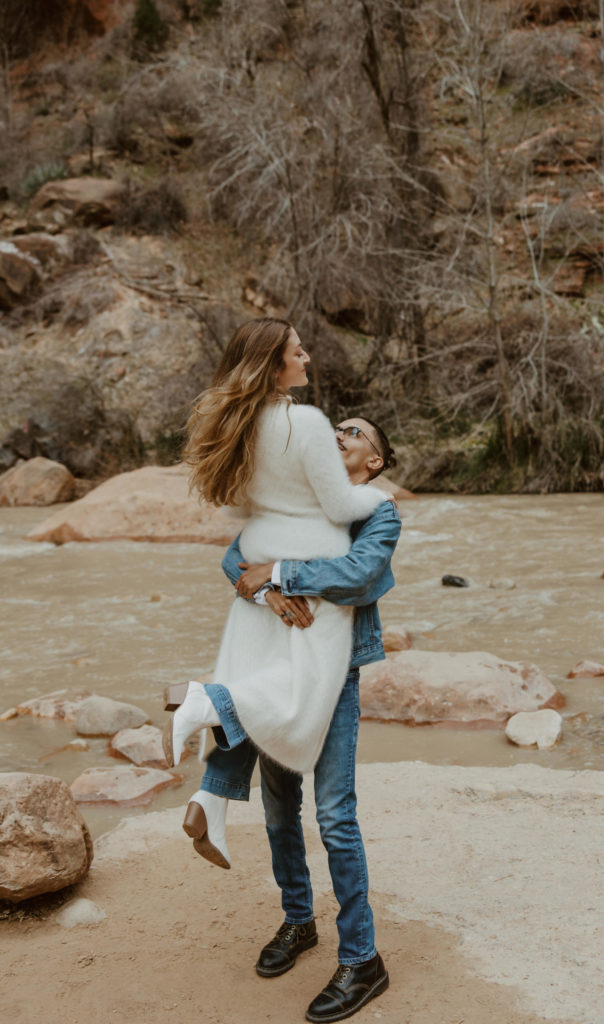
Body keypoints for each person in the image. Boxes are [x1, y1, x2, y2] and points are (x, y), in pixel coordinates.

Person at [200, 415, 401, 1024]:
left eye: (356, 434)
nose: (340, 435)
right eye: (336, 427)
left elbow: (361, 576)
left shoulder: (378, 511)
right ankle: (297, 922)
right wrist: (264, 590)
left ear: (376, 463)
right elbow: (238, 558)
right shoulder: (295, 496)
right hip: (275, 668)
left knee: (335, 814)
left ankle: (363, 959)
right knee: (279, 806)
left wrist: (284, 572)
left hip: (333, 675)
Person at [163, 317, 388, 841]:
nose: (307, 358)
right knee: (298, 697)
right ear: (274, 363)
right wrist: (381, 496)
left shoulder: (238, 424)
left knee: (258, 679)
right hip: (310, 574)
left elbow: (235, 510)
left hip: (258, 563)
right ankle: (207, 702)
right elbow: (338, 504)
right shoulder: (306, 423)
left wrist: (266, 571)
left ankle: (212, 799)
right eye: (298, 351)